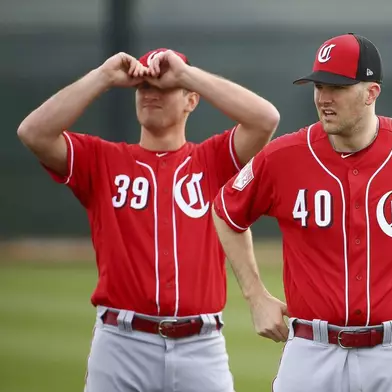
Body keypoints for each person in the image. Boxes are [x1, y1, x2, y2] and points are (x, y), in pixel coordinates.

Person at [211, 33, 392, 392]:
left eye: (337, 87)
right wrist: (255, 294)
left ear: (371, 92)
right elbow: (226, 212)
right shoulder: (284, 156)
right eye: (319, 86)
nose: (324, 98)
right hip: (311, 350)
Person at [17, 48, 280, 392]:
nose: (151, 92)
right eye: (142, 87)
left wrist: (185, 74)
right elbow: (32, 132)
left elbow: (265, 119)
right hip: (121, 346)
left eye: (164, 86)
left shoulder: (213, 161)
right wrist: (104, 77)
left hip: (200, 346)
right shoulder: (102, 161)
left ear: (191, 101)